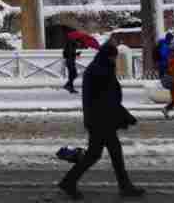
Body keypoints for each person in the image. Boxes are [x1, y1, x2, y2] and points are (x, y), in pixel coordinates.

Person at [57, 40, 145, 199]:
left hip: (100, 119)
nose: (115, 60)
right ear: (108, 56)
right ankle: (69, 182)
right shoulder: (101, 71)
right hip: (101, 120)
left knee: (105, 154)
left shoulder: (99, 67)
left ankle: (123, 186)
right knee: (99, 154)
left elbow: (108, 98)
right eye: (114, 57)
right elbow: (107, 99)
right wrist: (125, 116)